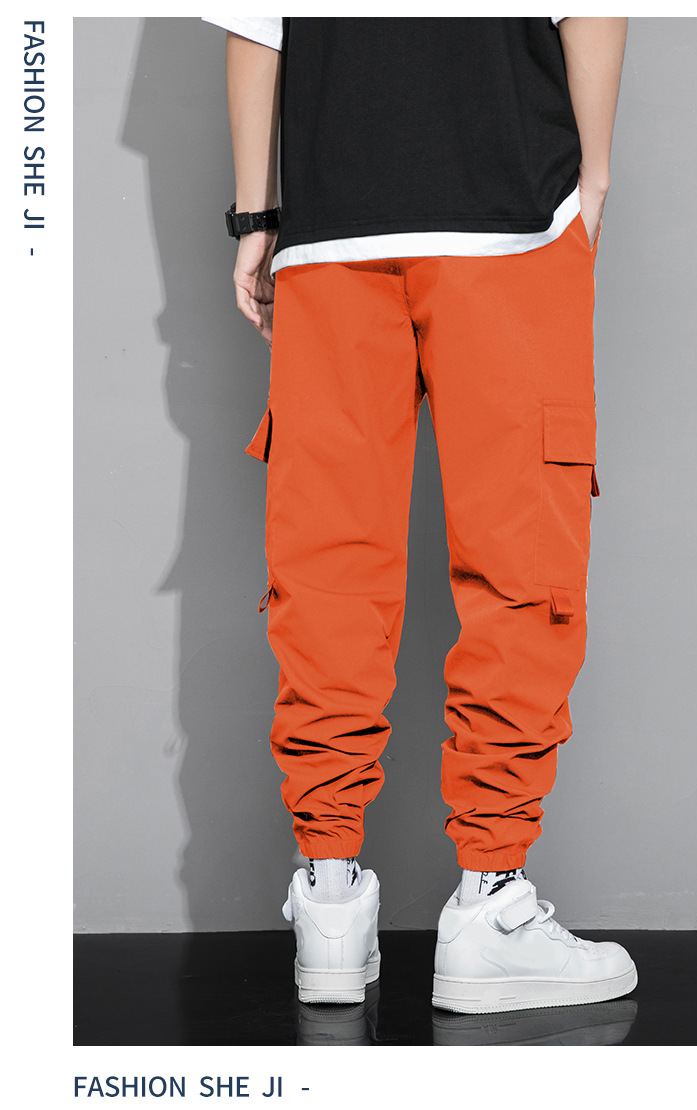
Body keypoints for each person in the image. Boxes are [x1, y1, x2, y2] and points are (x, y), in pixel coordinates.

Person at [203, 15, 636, 1014]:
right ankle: (490, 905)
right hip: (510, 214)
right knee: (521, 557)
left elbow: (251, 22)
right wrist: (594, 178)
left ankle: (329, 897)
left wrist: (257, 213)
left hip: (332, 222)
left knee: (326, 563)